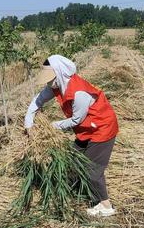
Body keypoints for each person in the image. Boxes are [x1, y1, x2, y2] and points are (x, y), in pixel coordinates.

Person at [24, 54, 118, 217]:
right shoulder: (57, 84)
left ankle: (106, 206)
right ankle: (74, 190)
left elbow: (76, 119)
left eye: (50, 78)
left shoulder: (78, 92)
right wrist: (29, 125)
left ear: (59, 73)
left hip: (102, 128)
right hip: (86, 129)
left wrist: (51, 127)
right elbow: (37, 102)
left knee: (92, 171)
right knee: (73, 160)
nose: (48, 82)